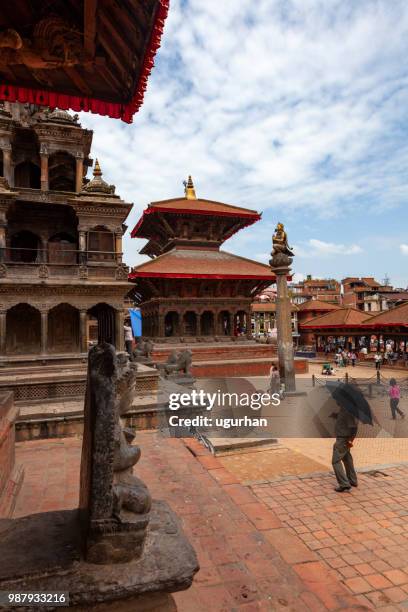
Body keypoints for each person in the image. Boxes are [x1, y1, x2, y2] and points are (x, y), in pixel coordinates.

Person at [330, 401, 358, 492]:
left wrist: (350, 439)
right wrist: (336, 415)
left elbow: (354, 427)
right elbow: (344, 418)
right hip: (343, 438)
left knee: (335, 461)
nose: (336, 401)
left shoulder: (348, 410)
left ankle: (344, 484)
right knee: (347, 459)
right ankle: (352, 480)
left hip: (343, 439)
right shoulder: (344, 408)